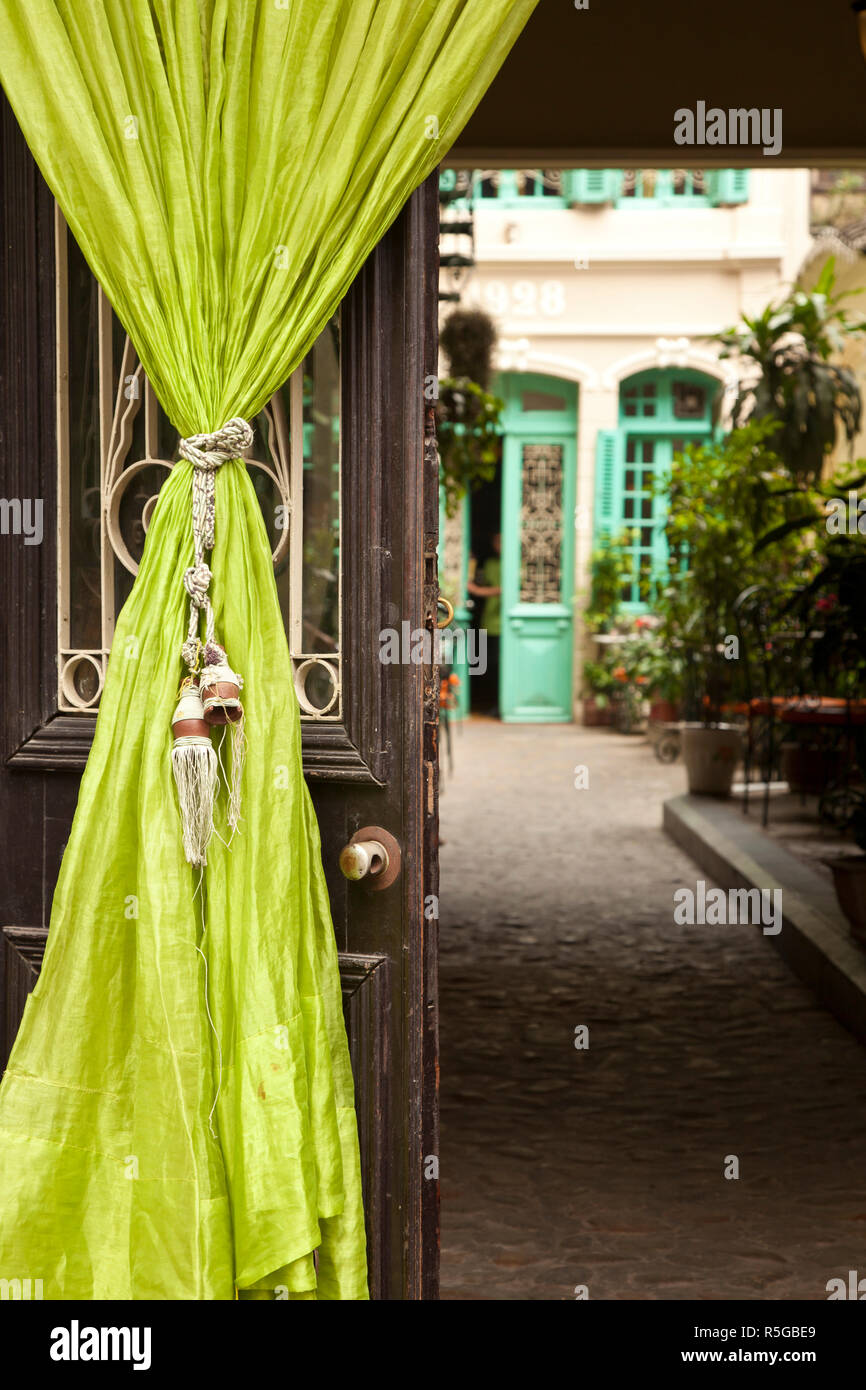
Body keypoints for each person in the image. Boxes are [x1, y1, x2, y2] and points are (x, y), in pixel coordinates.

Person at [467, 532, 502, 716]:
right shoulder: (489, 564)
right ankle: (494, 704)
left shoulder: (515, 563)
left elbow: (510, 591)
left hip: (506, 624)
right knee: (487, 665)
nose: (500, 545)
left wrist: (483, 591)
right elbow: (475, 585)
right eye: (497, 541)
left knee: (502, 665)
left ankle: (503, 705)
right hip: (490, 622)